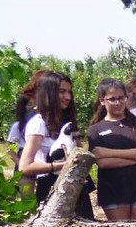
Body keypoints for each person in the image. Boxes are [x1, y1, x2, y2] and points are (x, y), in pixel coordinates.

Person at [17, 72, 95, 219]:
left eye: (69, 92)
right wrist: (63, 165)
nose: (67, 97)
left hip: (75, 186)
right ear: (49, 93)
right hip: (52, 189)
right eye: (61, 91)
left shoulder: (64, 122)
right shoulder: (38, 124)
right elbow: (25, 167)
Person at [86, 78, 136, 221]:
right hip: (114, 192)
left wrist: (110, 153)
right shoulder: (95, 130)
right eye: (112, 99)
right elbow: (103, 163)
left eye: (121, 98)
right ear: (102, 101)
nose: (118, 103)